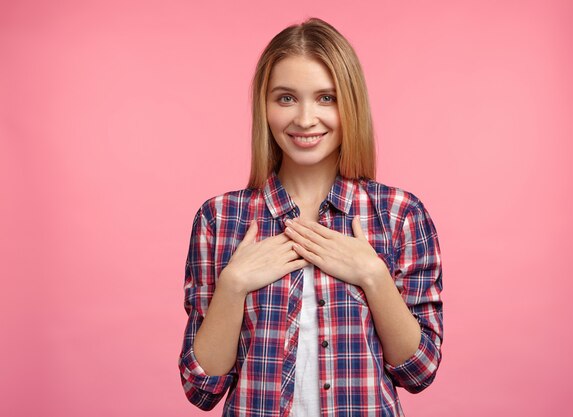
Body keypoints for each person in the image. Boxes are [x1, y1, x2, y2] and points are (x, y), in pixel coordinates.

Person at [178, 17, 444, 417]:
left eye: (326, 98)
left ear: (350, 104)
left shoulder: (398, 215)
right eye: (286, 98)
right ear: (264, 107)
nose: (304, 119)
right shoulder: (220, 219)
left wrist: (372, 274)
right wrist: (233, 285)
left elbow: (419, 371)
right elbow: (202, 388)